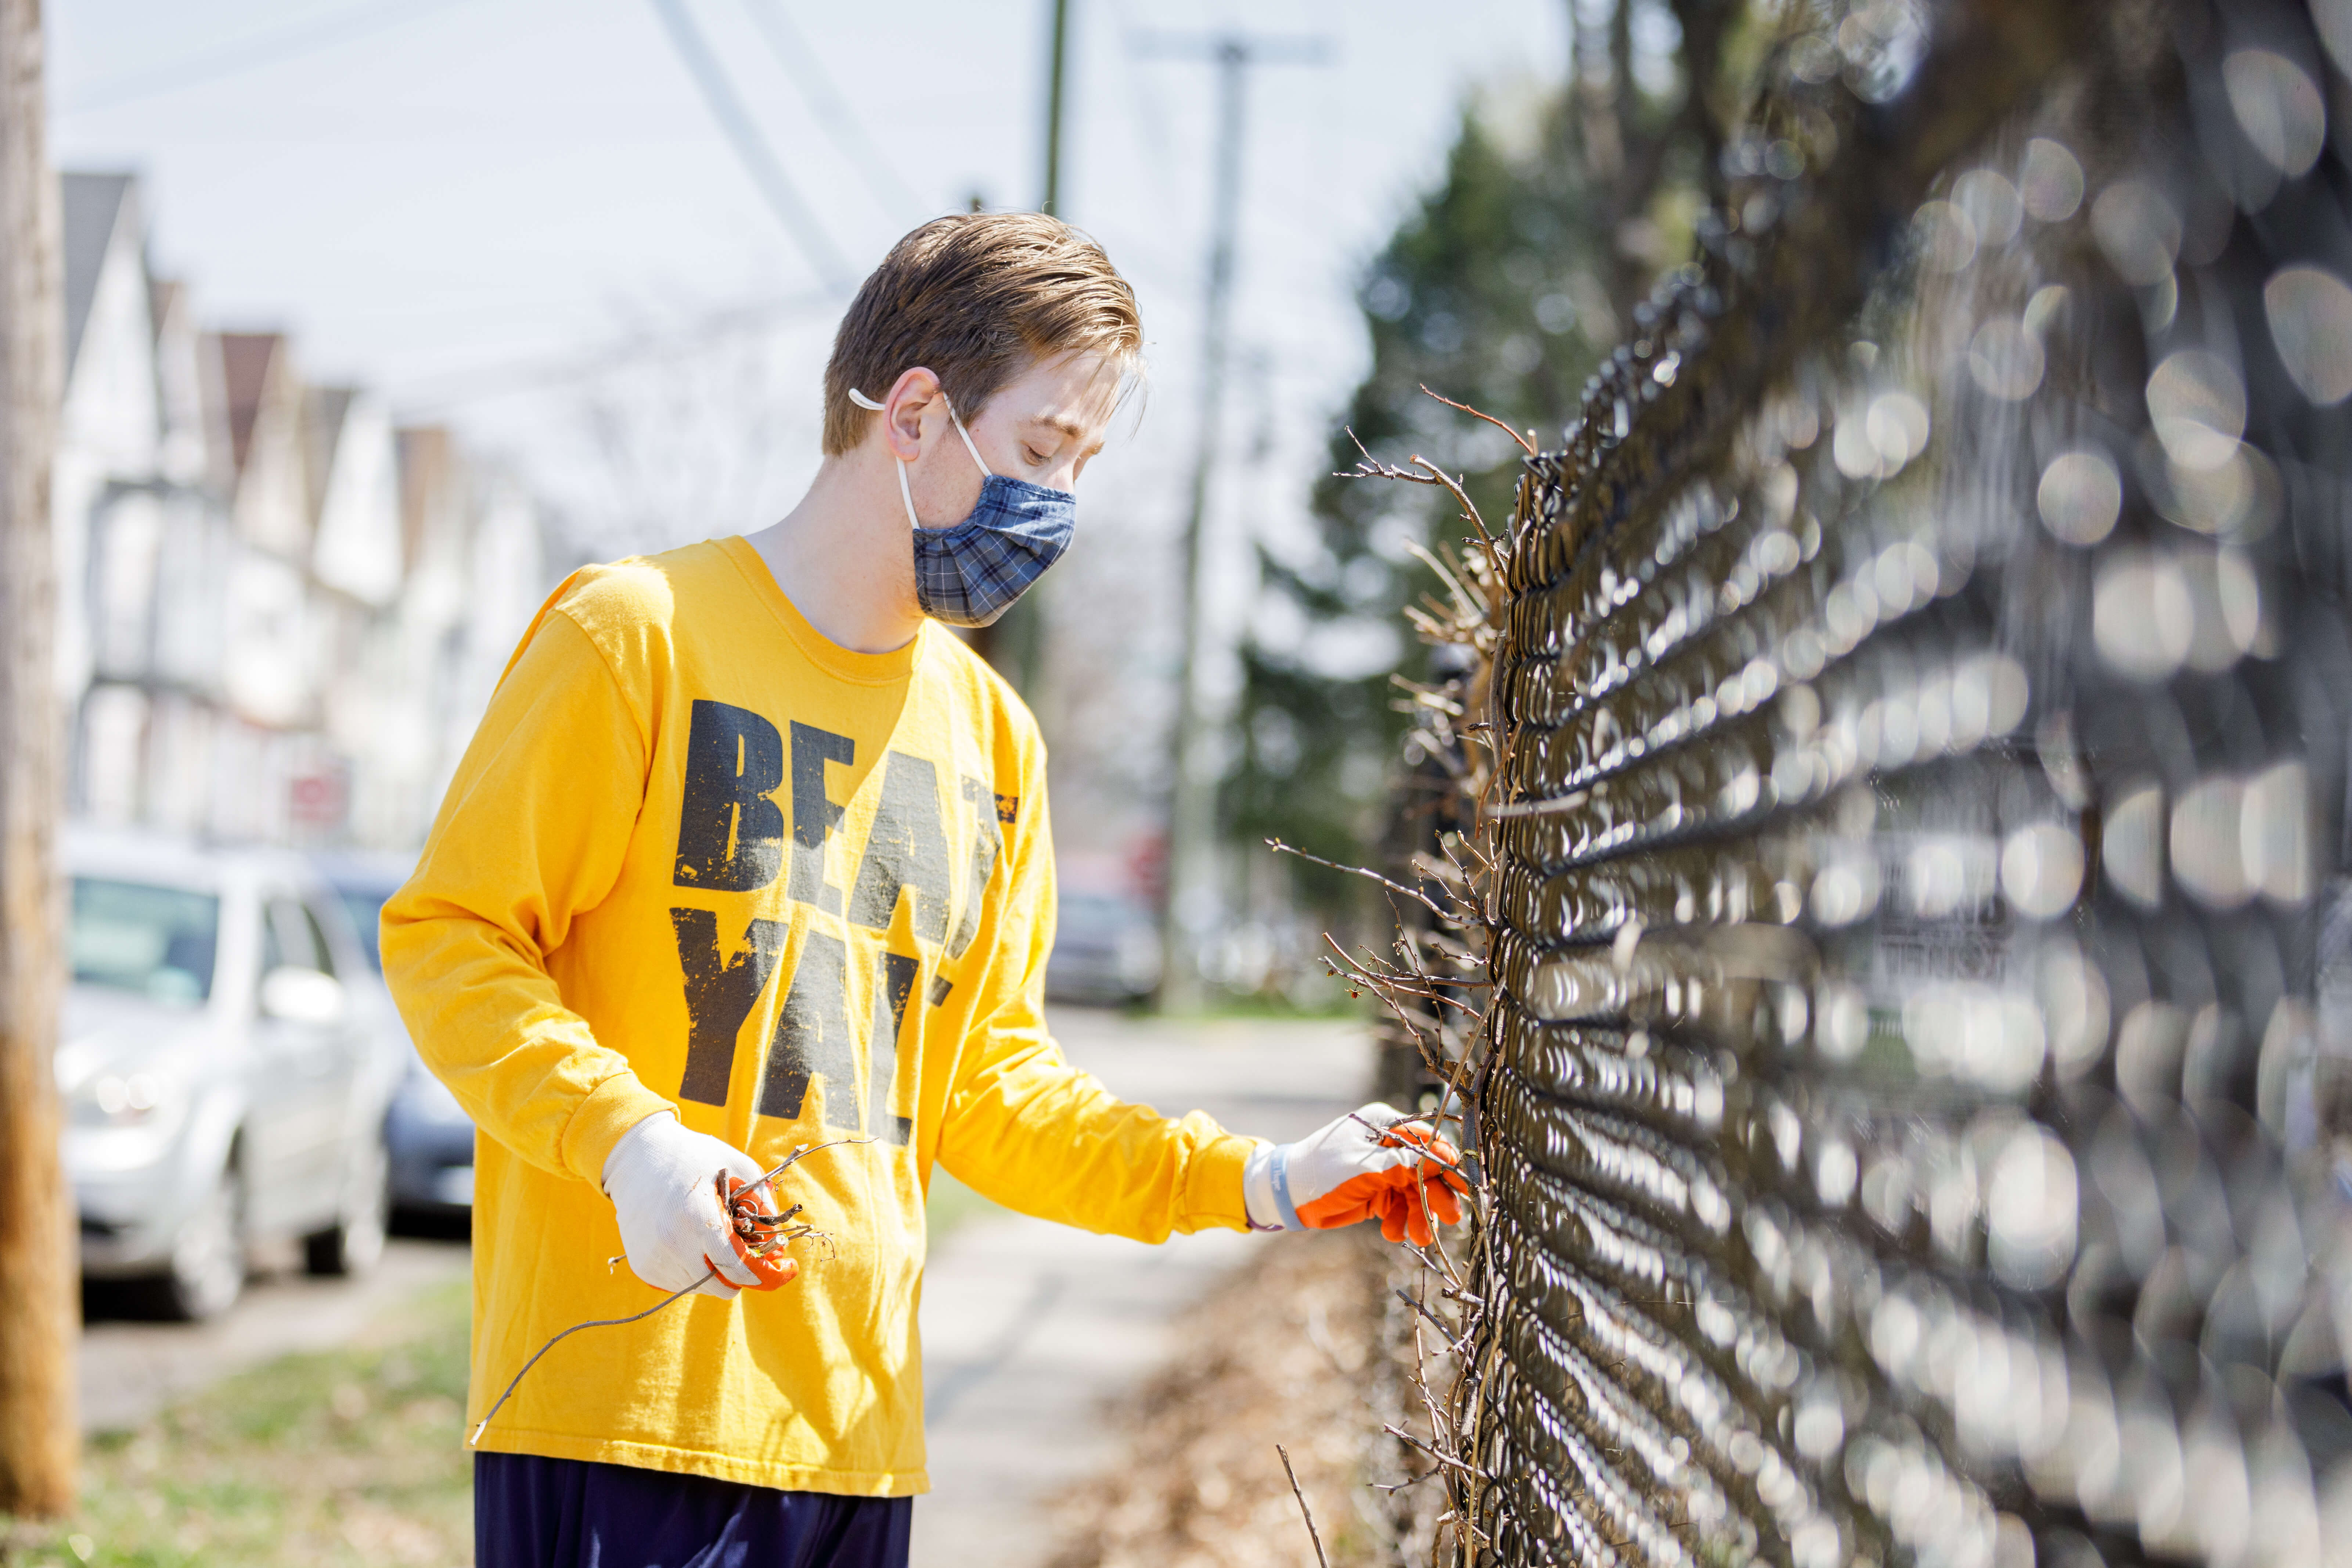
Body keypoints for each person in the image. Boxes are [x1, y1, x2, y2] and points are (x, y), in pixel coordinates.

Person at [380, 212, 1465, 1568]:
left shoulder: (993, 740)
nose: (1055, 505)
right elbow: (451, 942)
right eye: (1035, 453)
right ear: (910, 413)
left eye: (1080, 466)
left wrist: (1262, 1179)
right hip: (618, 1427)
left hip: (855, 1444)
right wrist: (626, 1146)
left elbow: (992, 1092)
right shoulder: (634, 635)